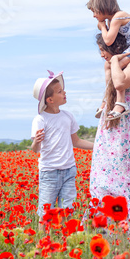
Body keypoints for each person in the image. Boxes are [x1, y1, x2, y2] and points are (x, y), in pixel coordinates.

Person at [89, 33, 130, 213]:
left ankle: (127, 227)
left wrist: (115, 60)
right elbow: (110, 78)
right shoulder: (110, 65)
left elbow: (120, 83)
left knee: (124, 175)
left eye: (102, 50)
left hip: (126, 127)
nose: (101, 55)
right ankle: (102, 224)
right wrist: (114, 60)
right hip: (108, 125)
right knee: (102, 174)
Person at [31, 70, 94, 226]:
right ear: (50, 99)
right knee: (46, 212)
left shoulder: (68, 116)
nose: (64, 92)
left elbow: (77, 141)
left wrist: (98, 146)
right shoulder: (40, 120)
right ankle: (42, 242)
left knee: (67, 209)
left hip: (69, 170)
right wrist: (36, 142)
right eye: (60, 91)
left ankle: (66, 239)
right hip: (49, 172)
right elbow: (35, 149)